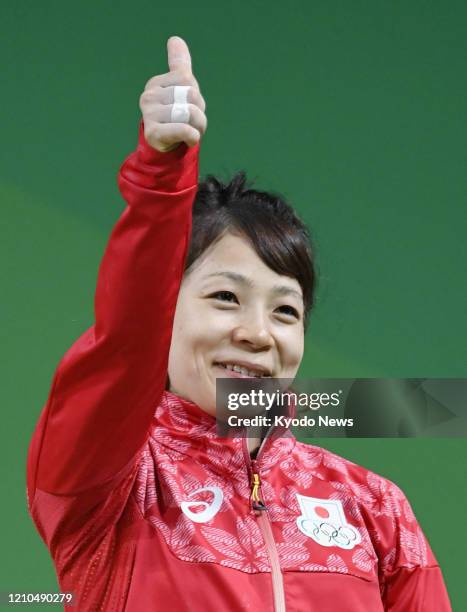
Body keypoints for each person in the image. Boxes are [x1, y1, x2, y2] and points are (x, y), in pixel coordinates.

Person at [26, 36, 452, 611]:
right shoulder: (113, 485)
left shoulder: (376, 509)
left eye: (285, 310)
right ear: (165, 312)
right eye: (226, 297)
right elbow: (122, 347)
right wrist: (161, 177)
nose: (258, 333)